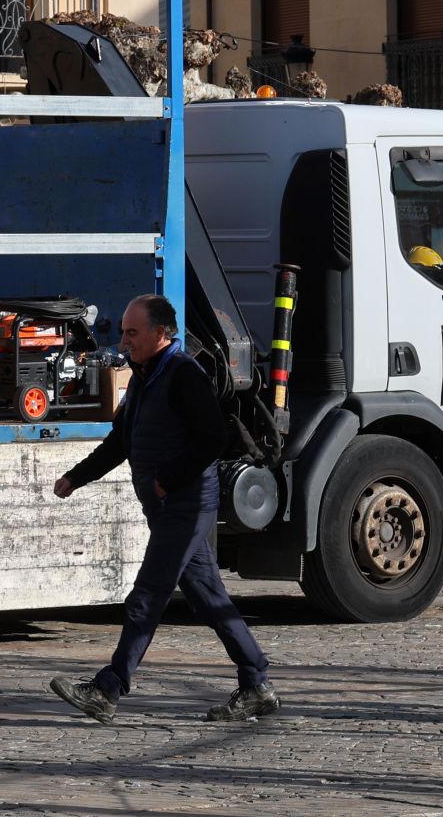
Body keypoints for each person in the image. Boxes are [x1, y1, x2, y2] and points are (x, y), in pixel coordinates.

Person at [46, 294, 276, 723]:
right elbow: (121, 442)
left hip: (187, 505)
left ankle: (108, 688)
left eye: (133, 332)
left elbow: (213, 439)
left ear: (161, 333)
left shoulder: (183, 374)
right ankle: (256, 682)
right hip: (169, 506)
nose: (124, 340)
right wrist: (76, 477)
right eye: (124, 332)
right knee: (209, 599)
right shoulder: (142, 375)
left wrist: (166, 480)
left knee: (146, 596)